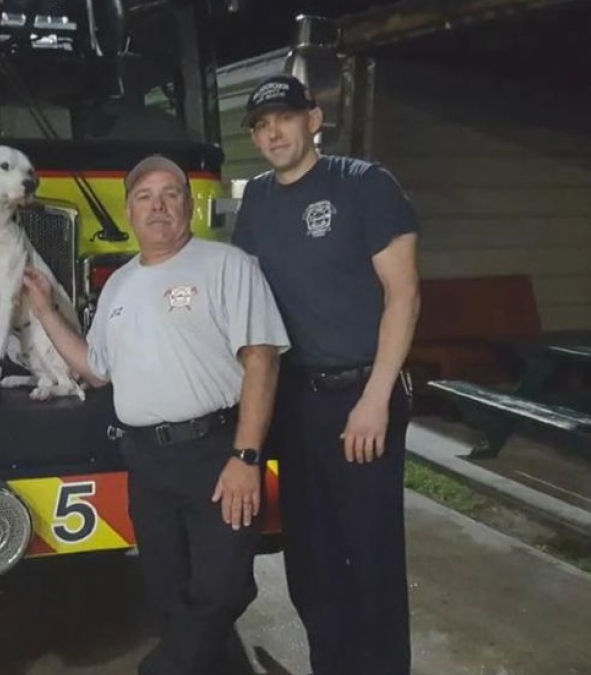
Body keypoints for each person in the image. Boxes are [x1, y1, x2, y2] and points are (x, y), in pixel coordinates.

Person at [22, 155, 289, 675]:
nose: (158, 206)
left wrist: (247, 455)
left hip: (216, 452)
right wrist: (46, 312)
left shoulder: (227, 265)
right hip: (146, 461)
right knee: (167, 591)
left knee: (224, 585)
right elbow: (96, 369)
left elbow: (262, 360)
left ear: (189, 205)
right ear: (129, 211)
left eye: (170, 193)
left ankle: (163, 669)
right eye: (145, 197)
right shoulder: (119, 285)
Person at [231, 74, 421, 675]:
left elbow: (404, 295)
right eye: (261, 126)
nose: (272, 133)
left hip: (362, 394)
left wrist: (375, 399)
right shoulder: (257, 200)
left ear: (314, 119)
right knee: (309, 561)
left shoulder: (365, 185)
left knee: (370, 560)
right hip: (295, 403)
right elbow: (245, 302)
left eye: (284, 118)